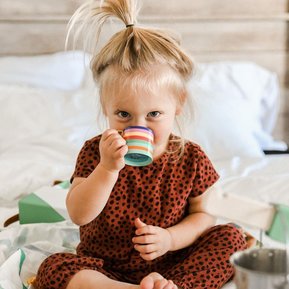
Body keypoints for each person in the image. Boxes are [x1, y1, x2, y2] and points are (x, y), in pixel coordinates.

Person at [35, 0, 247, 288]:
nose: (138, 126)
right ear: (105, 106)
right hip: (107, 268)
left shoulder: (191, 158)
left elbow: (204, 214)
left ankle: (175, 287)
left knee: (231, 238)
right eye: (123, 114)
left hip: (174, 264)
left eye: (154, 114)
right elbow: (78, 214)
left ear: (178, 104)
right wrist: (108, 170)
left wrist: (171, 238)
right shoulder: (95, 152)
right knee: (54, 267)